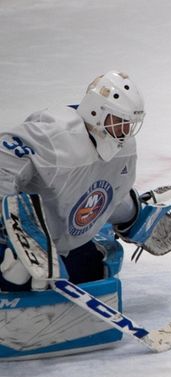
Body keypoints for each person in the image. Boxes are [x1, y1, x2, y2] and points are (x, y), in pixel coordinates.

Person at [0, 71, 148, 291]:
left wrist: (136, 215)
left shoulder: (124, 148)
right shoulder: (55, 135)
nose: (124, 131)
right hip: (13, 242)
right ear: (96, 112)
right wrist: (19, 237)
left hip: (61, 247)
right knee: (18, 275)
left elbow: (110, 198)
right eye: (119, 122)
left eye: (129, 124)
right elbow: (5, 159)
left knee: (98, 269)